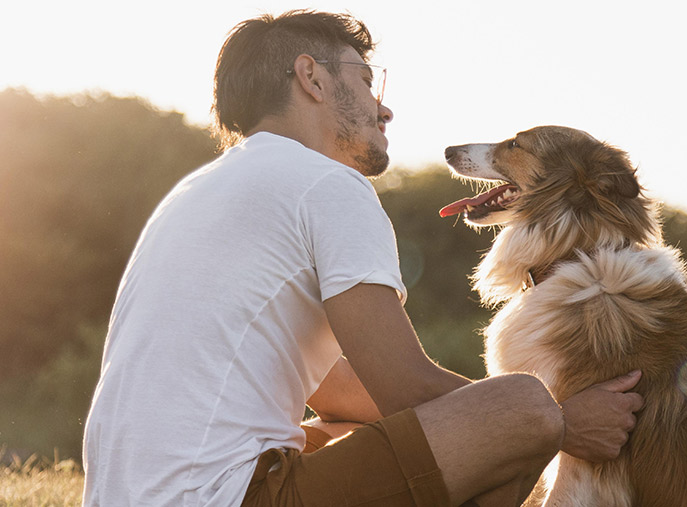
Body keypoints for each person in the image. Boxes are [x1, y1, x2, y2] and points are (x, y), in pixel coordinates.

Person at [81, 9, 644, 507]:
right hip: (227, 496)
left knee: (342, 427)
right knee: (522, 404)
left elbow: (330, 388)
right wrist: (563, 422)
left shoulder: (200, 191)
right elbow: (405, 387)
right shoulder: (326, 185)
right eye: (367, 80)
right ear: (312, 79)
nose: (386, 108)